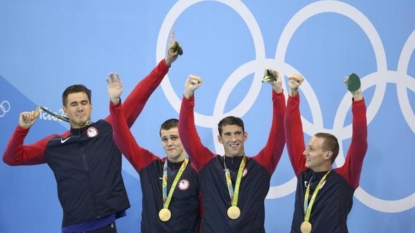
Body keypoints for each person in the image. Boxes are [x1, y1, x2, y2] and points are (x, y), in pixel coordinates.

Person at [2, 31, 181, 233]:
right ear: (64, 110)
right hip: (73, 227)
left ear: (91, 107)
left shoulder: (108, 130)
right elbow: (12, 158)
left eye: (84, 103)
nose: (80, 108)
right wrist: (21, 130)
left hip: (105, 225)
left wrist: (165, 64)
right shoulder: (53, 145)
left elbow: (140, 96)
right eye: (74, 104)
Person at [178, 69, 286, 233]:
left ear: (245, 136)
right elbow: (186, 133)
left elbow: (279, 134)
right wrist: (188, 97)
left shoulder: (261, 165)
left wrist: (278, 93)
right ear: (220, 139)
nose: (233, 139)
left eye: (237, 133)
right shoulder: (207, 164)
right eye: (227, 134)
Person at [107, 71, 201, 232]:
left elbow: (206, 213)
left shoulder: (198, 171)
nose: (169, 143)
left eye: (174, 137)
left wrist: (188, 96)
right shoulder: (149, 165)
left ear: (184, 138)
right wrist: (115, 104)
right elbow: (122, 138)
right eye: (165, 139)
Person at [284, 74, 368, 233]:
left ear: (327, 155)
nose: (304, 152)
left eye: (311, 149)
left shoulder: (345, 178)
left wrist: (357, 98)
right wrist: (293, 94)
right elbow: (291, 131)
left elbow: (360, 143)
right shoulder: (303, 172)